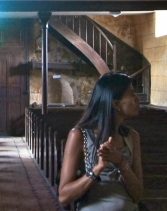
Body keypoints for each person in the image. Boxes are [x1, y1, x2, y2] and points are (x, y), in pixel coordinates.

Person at [58, 73, 143, 210]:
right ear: (116, 103)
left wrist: (121, 162)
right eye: (132, 94)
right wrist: (98, 168)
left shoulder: (132, 137)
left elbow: (138, 195)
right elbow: (64, 196)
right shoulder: (79, 135)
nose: (137, 99)